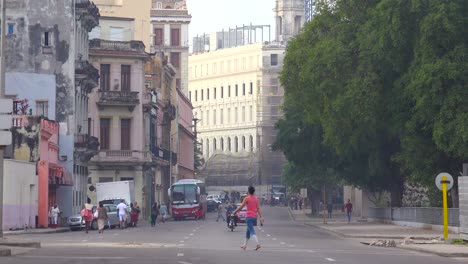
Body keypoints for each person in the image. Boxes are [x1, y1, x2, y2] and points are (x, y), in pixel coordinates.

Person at [233, 186, 263, 251]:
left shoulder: (246, 198)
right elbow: (258, 209)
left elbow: (241, 207)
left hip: (249, 217)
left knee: (252, 231)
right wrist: (261, 216)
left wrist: (235, 211)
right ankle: (244, 246)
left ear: (248, 191)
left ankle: (258, 244)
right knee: (248, 231)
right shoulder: (256, 199)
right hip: (254, 217)